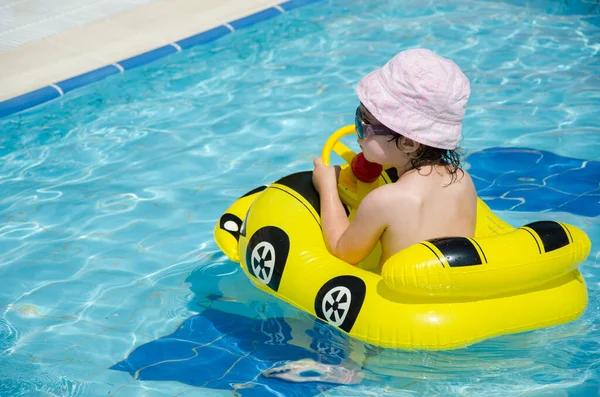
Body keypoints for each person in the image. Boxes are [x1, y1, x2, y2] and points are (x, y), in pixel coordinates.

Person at [312, 48, 477, 268]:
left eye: (364, 125)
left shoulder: (384, 200)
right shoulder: (463, 180)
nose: (356, 132)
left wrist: (327, 188)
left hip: (406, 299)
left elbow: (344, 252)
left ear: (408, 143)